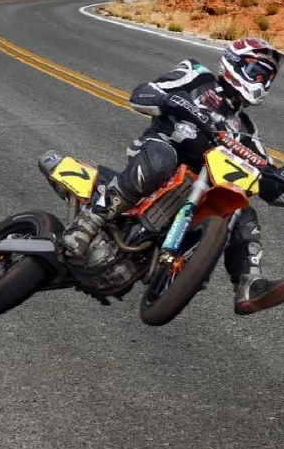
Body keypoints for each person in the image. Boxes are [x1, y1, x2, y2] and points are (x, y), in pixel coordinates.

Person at [60, 38, 284, 315]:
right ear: (233, 64)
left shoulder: (247, 132)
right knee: (162, 159)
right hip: (159, 152)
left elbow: (271, 180)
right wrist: (169, 101)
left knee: (243, 210)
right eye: (256, 73)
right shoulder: (196, 75)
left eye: (267, 78)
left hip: (198, 188)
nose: (261, 83)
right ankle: (89, 221)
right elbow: (142, 93)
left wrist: (277, 179)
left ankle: (249, 283)